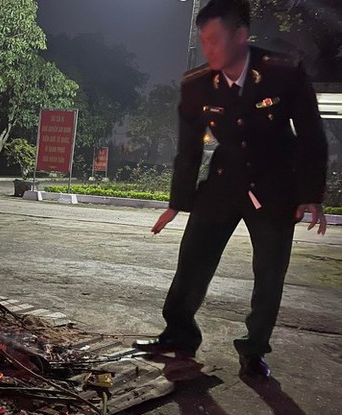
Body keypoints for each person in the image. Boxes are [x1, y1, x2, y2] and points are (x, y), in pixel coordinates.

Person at [133, 0, 328, 379]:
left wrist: (310, 194)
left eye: (215, 40)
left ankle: (254, 350)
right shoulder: (197, 84)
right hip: (223, 183)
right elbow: (189, 150)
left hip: (275, 185)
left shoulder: (283, 73)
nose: (208, 49)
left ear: (241, 35)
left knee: (269, 273)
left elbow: (311, 136)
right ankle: (179, 334)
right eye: (202, 41)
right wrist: (178, 202)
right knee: (192, 259)